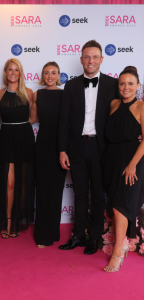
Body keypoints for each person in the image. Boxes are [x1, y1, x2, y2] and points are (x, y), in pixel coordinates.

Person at [58, 40, 118, 255]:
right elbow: (63, 120)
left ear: (101, 59)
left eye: (95, 57)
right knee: (80, 194)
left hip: (102, 149)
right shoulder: (71, 85)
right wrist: (62, 150)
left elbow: (123, 115)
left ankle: (94, 239)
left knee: (99, 196)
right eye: (87, 57)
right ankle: (77, 236)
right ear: (81, 59)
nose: (90, 61)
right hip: (76, 148)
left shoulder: (113, 85)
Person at [103, 66, 144, 272]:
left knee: (121, 205)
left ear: (138, 86)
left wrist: (132, 164)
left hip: (132, 162)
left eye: (130, 83)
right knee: (114, 204)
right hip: (111, 160)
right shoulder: (113, 104)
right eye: (122, 83)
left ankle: (118, 251)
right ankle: (122, 245)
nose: (126, 87)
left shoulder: (142, 107)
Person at [0, 58, 35, 239]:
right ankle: (7, 221)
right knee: (9, 183)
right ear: (5, 72)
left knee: (23, 182)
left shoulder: (29, 92)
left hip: (25, 137)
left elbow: (33, 118)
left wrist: (21, 126)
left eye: (16, 70)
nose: (12, 73)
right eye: (9, 70)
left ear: (20, 73)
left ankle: (17, 221)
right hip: (7, 137)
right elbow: (0, 119)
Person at [30, 62, 66, 248]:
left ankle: (53, 231)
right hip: (42, 143)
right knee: (43, 189)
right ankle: (42, 235)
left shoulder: (64, 94)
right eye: (46, 73)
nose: (50, 76)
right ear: (42, 75)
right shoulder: (37, 94)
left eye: (53, 73)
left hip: (60, 144)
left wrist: (65, 148)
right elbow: (32, 119)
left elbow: (69, 121)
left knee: (56, 190)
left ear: (58, 74)